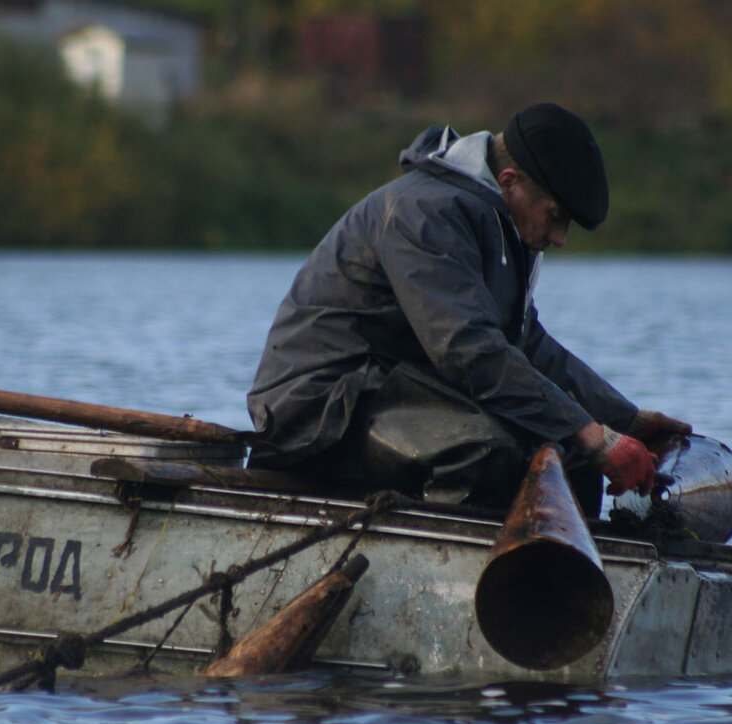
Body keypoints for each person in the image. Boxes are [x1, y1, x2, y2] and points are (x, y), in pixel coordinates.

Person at [246, 102, 690, 515]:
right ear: (509, 181)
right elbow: (467, 351)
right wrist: (591, 433)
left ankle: (565, 581)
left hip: (394, 390)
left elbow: (525, 343)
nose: (559, 238)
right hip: (321, 411)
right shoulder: (425, 212)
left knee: (572, 457)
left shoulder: (494, 219)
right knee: (484, 451)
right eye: (555, 216)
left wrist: (622, 419)